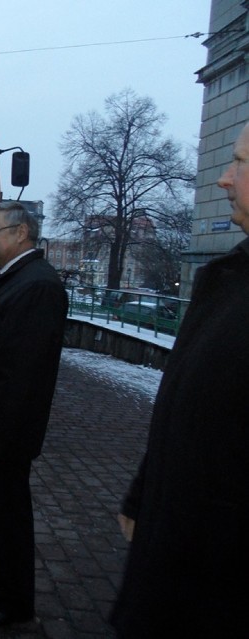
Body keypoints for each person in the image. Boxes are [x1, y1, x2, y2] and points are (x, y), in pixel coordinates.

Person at [110, 122, 249, 637]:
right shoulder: (227, 278)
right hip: (174, 548)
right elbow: (184, 410)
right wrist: (145, 494)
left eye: (239, 162)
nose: (224, 180)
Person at [0, 201, 68, 627]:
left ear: (21, 233)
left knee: (7, 517)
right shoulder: (18, 278)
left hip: (4, 434)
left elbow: (22, 374)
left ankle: (13, 602)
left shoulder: (38, 286)